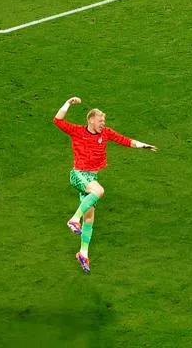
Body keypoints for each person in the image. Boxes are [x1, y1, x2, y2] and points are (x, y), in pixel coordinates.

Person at [53, 97, 158, 273]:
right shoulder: (77, 131)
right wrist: (68, 103)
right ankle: (73, 219)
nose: (103, 124)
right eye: (100, 121)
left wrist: (143, 146)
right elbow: (57, 121)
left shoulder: (105, 133)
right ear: (91, 120)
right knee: (99, 191)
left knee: (89, 218)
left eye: (104, 121)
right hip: (78, 174)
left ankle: (83, 253)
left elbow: (124, 140)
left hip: (91, 178)